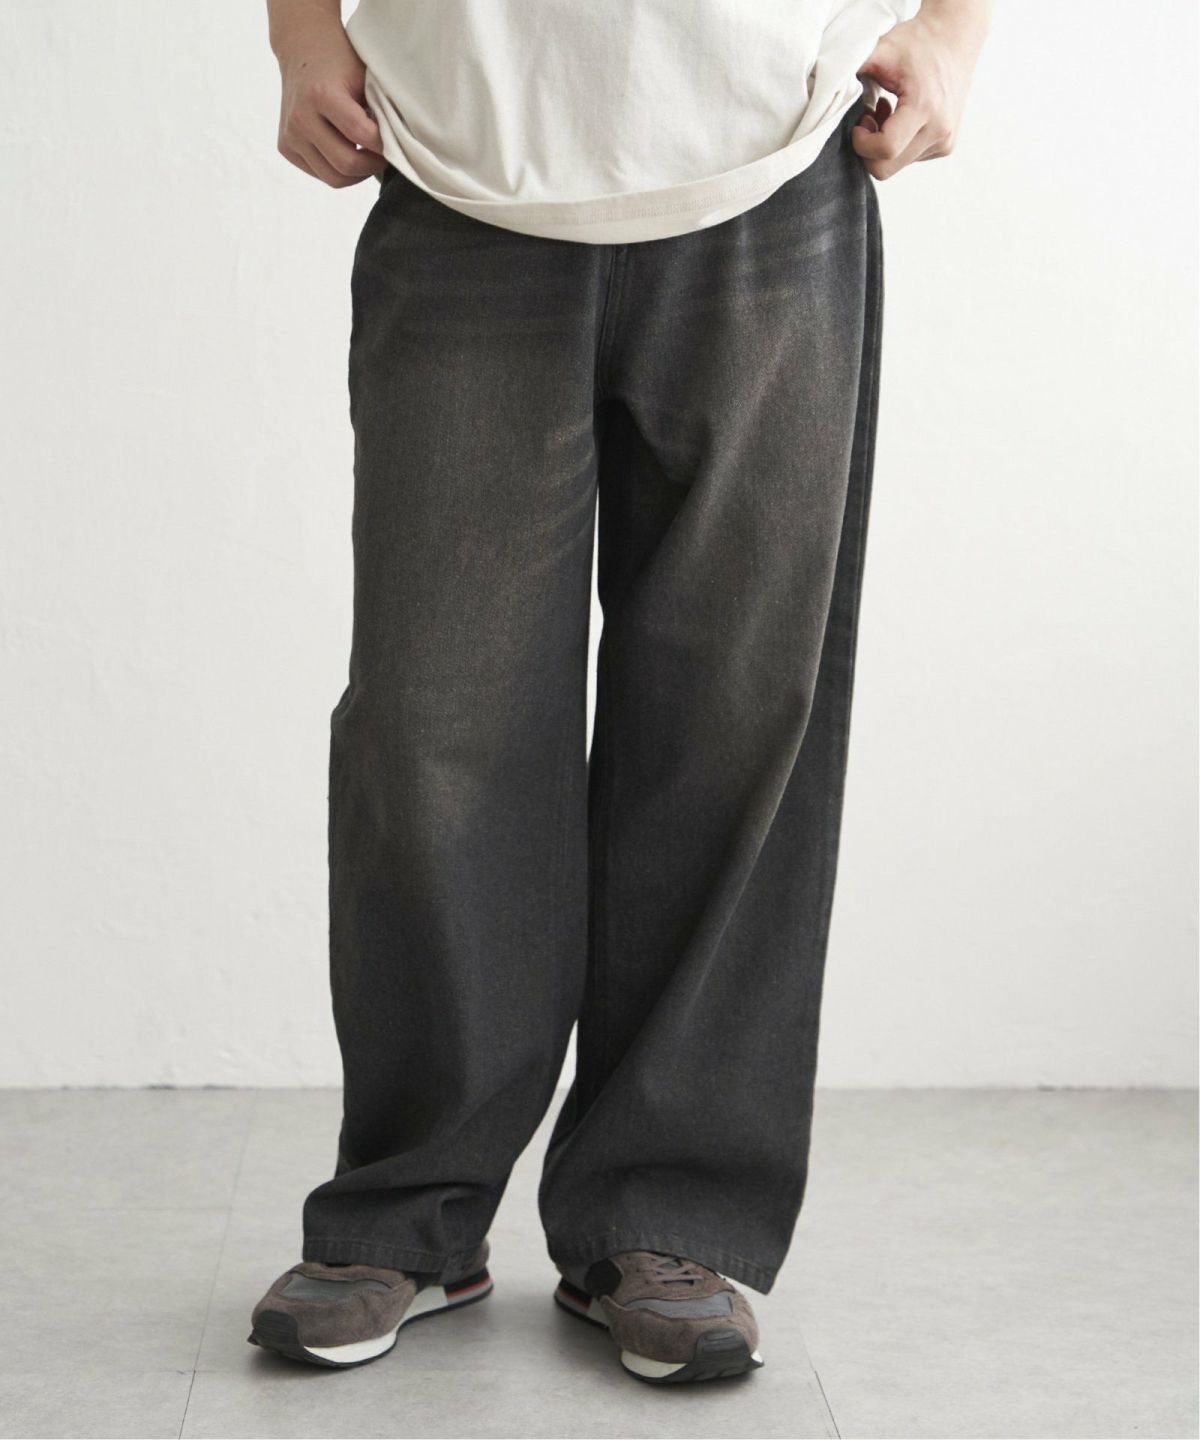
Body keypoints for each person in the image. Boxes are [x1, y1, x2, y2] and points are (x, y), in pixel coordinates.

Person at [249, 0, 989, 1385]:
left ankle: (665, 1216)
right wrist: (299, 34)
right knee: (431, 723)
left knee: (733, 714)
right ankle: (409, 1207)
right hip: (462, 163)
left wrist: (953, 29)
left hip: (772, 161)